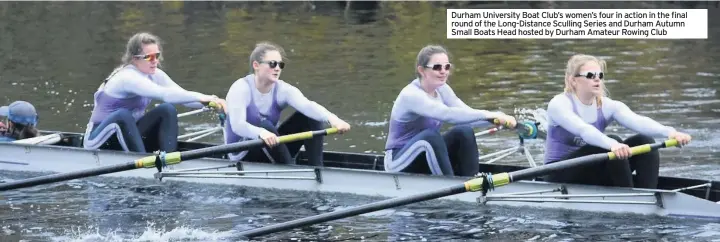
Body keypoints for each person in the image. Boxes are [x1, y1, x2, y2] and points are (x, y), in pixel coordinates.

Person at [544, 54, 692, 189]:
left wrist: (671, 133)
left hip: (592, 171)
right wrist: (613, 145)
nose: (597, 79)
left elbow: (638, 121)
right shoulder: (559, 104)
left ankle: (647, 193)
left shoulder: (607, 105)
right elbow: (584, 130)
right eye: (590, 75)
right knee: (613, 141)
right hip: (558, 173)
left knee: (645, 141)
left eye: (600, 75)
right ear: (573, 80)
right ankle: (628, 196)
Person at [383, 45, 517, 177]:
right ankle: (450, 187)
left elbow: (469, 116)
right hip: (398, 162)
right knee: (430, 136)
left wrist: (499, 121)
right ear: (422, 70)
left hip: (425, 156)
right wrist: (490, 114)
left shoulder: (442, 89)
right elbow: (447, 114)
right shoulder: (411, 95)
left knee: (464, 131)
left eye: (447, 67)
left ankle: (472, 181)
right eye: (437, 67)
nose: (443, 71)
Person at [83, 32, 227, 153]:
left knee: (167, 110)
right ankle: (143, 164)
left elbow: (183, 96)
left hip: (127, 136)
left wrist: (214, 102)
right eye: (148, 57)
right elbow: (166, 95)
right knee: (123, 115)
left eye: (156, 56)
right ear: (134, 59)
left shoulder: (155, 74)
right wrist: (202, 97)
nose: (154, 61)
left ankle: (168, 162)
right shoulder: (127, 78)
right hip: (99, 140)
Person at [223, 42, 351, 166]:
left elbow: (308, 106)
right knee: (265, 125)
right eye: (272, 64)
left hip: (270, 146)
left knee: (309, 117)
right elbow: (237, 125)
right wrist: (261, 132)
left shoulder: (282, 89)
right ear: (256, 65)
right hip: (241, 154)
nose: (277, 68)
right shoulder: (240, 88)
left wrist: (333, 119)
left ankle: (317, 169)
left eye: (280, 64)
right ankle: (289, 168)